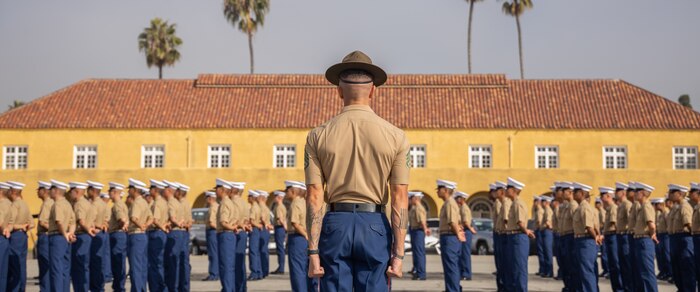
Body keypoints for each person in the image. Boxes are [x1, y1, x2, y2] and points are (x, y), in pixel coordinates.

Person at [305, 51, 409, 292]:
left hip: (335, 224)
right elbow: (400, 197)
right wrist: (399, 255)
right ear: (373, 91)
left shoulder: (318, 135)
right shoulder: (396, 136)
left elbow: (314, 195)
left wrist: (312, 252)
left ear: (339, 91)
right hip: (374, 225)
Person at [285, 181, 317, 292]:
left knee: (297, 270)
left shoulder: (295, 203)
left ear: (293, 191)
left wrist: (305, 235)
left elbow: (295, 223)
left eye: (287, 190)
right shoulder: (305, 203)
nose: (286, 193)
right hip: (307, 239)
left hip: (298, 238)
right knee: (308, 270)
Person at [505, 177, 533, 292]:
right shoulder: (514, 203)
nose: (506, 190)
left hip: (518, 237)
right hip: (514, 237)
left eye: (508, 188)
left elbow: (520, 222)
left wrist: (526, 230)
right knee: (514, 268)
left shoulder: (518, 204)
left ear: (515, 190)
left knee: (519, 268)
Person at [436, 180, 465, 292]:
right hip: (449, 237)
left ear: (446, 190)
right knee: (451, 267)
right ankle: (452, 288)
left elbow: (452, 222)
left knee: (451, 267)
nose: (437, 191)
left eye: (439, 189)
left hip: (450, 237)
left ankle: (453, 289)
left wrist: (458, 235)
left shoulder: (450, 203)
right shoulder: (448, 203)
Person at [47, 180, 75, 292]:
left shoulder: (57, 204)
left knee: (56, 269)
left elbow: (59, 222)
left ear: (56, 191)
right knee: (65, 269)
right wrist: (70, 234)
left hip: (57, 237)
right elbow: (73, 222)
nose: (49, 192)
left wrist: (65, 235)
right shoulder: (68, 204)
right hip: (65, 238)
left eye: (51, 190)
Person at [572, 182, 600, 292]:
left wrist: (595, 238)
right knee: (584, 272)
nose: (573, 194)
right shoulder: (580, 207)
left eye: (576, 192)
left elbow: (589, 227)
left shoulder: (585, 208)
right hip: (581, 241)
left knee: (587, 272)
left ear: (582, 193)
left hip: (586, 241)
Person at [631, 182, 657, 292]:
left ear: (642, 193)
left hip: (644, 240)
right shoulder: (641, 206)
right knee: (641, 272)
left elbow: (651, 225)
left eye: (636, 191)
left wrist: (652, 234)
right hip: (640, 240)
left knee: (647, 272)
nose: (634, 194)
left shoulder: (646, 206)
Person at [127, 179, 152, 292]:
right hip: (142, 236)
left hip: (136, 235)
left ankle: (137, 289)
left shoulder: (137, 202)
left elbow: (133, 218)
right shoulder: (144, 202)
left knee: (135, 267)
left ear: (135, 190)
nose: (129, 191)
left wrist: (141, 225)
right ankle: (141, 288)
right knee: (141, 266)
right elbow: (151, 218)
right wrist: (146, 225)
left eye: (130, 189)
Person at [669, 182, 696, 291]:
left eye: (672, 192)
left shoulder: (685, 206)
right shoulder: (676, 207)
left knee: (686, 267)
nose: (670, 194)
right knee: (677, 268)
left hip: (683, 238)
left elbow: (689, 224)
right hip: (675, 238)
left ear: (680, 194)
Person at [6, 181, 32, 292]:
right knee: (22, 266)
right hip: (22, 236)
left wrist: (19, 226)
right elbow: (32, 223)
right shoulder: (24, 204)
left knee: (14, 266)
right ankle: (22, 288)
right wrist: (24, 226)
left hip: (15, 236)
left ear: (12, 192)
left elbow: (10, 224)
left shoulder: (15, 205)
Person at [215, 178, 239, 292]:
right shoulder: (231, 202)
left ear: (222, 190)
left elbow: (224, 222)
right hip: (230, 236)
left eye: (217, 189)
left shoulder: (224, 203)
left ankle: (227, 289)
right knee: (229, 266)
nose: (216, 192)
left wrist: (232, 227)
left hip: (225, 235)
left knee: (225, 266)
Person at [87, 180, 109, 292]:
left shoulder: (94, 205)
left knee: (94, 263)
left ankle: (96, 288)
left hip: (95, 233)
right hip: (102, 234)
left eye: (88, 190)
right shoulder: (103, 204)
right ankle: (100, 286)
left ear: (93, 191)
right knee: (100, 262)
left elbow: (91, 220)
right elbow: (107, 219)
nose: (87, 192)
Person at [147, 179, 168, 292]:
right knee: (160, 263)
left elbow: (155, 220)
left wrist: (161, 227)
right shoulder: (164, 202)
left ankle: (156, 288)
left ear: (155, 190)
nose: (149, 191)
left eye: (151, 188)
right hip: (160, 234)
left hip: (155, 234)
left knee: (154, 264)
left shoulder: (157, 203)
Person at [600, 186, 623, 292]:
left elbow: (615, 224)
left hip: (613, 236)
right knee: (612, 265)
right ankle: (616, 288)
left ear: (608, 196)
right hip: (609, 236)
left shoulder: (613, 207)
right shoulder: (608, 208)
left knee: (616, 264)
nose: (600, 198)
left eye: (602, 195)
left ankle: (619, 288)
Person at [108, 182, 128, 292]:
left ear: (115, 192)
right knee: (119, 263)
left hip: (117, 234)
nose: (108, 193)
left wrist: (121, 226)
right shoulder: (122, 204)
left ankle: (119, 288)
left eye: (110, 191)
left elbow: (121, 220)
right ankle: (119, 286)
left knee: (117, 263)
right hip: (119, 234)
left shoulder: (117, 205)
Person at [229, 181, 249, 292]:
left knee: (236, 263)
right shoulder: (244, 203)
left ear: (233, 190)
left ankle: (238, 287)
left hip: (236, 232)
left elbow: (235, 219)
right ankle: (242, 287)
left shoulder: (234, 203)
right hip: (242, 232)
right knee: (241, 263)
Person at [614, 182, 634, 292]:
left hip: (625, 236)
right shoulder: (620, 206)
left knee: (627, 263)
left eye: (617, 192)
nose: (615, 193)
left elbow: (630, 222)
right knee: (622, 264)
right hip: (620, 236)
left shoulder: (627, 205)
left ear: (623, 193)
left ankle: (629, 288)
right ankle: (625, 287)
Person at [36, 181, 54, 291]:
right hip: (50, 236)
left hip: (45, 236)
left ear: (44, 191)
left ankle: (45, 289)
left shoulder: (47, 203)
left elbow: (43, 222)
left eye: (39, 189)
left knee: (44, 266)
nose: (37, 192)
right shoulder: (52, 202)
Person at [408, 191, 429, 281]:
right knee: (416, 253)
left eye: (410, 198)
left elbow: (422, 221)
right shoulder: (414, 208)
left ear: (415, 198)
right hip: (414, 231)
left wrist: (425, 229)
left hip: (418, 231)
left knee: (419, 253)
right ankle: (417, 271)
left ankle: (421, 274)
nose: (409, 200)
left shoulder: (418, 208)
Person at [455, 191, 475, 281]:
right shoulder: (461, 208)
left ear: (461, 199)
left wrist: (470, 229)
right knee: (462, 253)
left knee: (465, 254)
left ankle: (466, 273)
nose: (456, 200)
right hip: (464, 231)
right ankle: (463, 272)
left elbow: (466, 222)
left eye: (457, 198)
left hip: (466, 232)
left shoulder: (464, 208)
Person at [176, 183, 193, 291]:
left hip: (180, 232)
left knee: (179, 261)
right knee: (184, 261)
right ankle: (185, 287)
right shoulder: (187, 203)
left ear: (178, 192)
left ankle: (181, 286)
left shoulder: (180, 204)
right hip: (185, 233)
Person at [494, 181, 510, 290]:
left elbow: (506, 221)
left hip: (504, 236)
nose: (495, 193)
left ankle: (505, 287)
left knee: (504, 264)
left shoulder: (505, 203)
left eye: (497, 191)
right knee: (500, 264)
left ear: (502, 192)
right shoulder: (501, 202)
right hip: (500, 235)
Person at [0, 182, 15, 291]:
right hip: (4, 239)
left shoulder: (1, 204)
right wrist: (7, 230)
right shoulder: (10, 204)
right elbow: (11, 223)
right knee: (3, 272)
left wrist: (3, 229)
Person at [203, 191, 219, 281]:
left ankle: (213, 274)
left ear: (210, 198)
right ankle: (216, 273)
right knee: (215, 253)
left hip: (212, 232)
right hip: (214, 232)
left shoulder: (213, 208)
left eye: (206, 198)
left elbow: (212, 223)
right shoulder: (217, 206)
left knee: (213, 253)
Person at [247, 190, 264, 281]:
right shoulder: (258, 207)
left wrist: (256, 225)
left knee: (253, 252)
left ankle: (254, 272)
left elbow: (252, 221)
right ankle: (259, 272)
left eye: (249, 197)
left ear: (252, 198)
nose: (247, 198)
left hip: (254, 230)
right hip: (256, 230)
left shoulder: (253, 207)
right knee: (256, 252)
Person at [654, 197, 671, 281]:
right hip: (660, 235)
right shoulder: (660, 214)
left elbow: (668, 225)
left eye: (656, 205)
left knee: (666, 254)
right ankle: (663, 271)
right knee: (661, 255)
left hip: (666, 235)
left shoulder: (666, 213)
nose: (655, 206)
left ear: (660, 205)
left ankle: (669, 272)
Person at [257, 190, 273, 278]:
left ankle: (262, 271)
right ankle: (265, 270)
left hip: (262, 229)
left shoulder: (261, 207)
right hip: (265, 230)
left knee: (261, 251)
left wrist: (265, 224)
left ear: (260, 198)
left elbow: (262, 218)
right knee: (264, 251)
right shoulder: (266, 207)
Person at [271, 190, 287, 275]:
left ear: (279, 198)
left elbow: (280, 219)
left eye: (275, 197)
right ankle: (280, 267)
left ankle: (281, 268)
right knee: (280, 248)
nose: (274, 199)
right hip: (280, 228)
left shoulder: (279, 207)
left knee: (280, 248)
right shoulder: (281, 206)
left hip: (279, 228)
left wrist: (285, 228)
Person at [539, 196, 554, 278]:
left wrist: (542, 227)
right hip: (545, 232)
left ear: (546, 202)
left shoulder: (548, 210)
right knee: (545, 251)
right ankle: (547, 270)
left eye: (543, 202)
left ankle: (549, 271)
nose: (541, 203)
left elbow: (548, 222)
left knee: (548, 252)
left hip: (547, 231)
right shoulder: (546, 210)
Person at [595, 197, 608, 278]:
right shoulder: (598, 211)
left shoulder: (602, 211)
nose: (596, 205)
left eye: (597, 203)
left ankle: (607, 269)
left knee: (604, 253)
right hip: (601, 231)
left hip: (603, 232)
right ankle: (605, 269)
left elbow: (603, 223)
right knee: (603, 252)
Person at [532, 196, 544, 277]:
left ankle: (542, 269)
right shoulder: (538, 210)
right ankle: (542, 269)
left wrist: (537, 229)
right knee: (540, 251)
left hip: (539, 231)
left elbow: (539, 222)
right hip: (539, 231)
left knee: (541, 251)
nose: (534, 204)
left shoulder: (539, 210)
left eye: (535, 202)